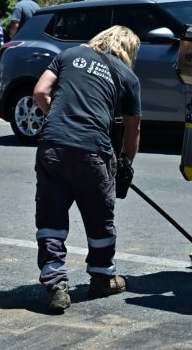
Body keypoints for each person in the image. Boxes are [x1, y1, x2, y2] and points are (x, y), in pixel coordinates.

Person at [30, 25, 142, 313]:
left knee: (51, 218)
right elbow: (133, 129)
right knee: (99, 218)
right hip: (94, 151)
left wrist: (59, 118)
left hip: (52, 145)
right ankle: (103, 277)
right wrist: (125, 162)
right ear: (128, 50)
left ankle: (55, 284)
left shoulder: (69, 55)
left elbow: (41, 92)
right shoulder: (128, 77)